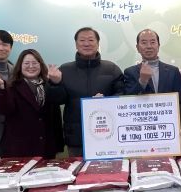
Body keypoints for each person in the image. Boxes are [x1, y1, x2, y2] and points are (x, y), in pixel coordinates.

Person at [48, 27, 124, 156]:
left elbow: (122, 94)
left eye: (91, 40)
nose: (87, 44)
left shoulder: (111, 69)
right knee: (77, 168)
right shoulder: (65, 69)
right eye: (82, 40)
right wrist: (55, 83)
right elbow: (57, 100)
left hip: (108, 135)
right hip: (77, 137)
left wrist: (106, 101)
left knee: (108, 169)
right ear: (76, 44)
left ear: (98, 44)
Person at [0, 49, 64, 157]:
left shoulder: (48, 85)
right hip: (20, 148)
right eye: (26, 63)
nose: (31, 66)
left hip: (46, 147)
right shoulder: (12, 86)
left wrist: (57, 83)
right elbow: (5, 109)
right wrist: (0, 87)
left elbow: (57, 114)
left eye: (34, 63)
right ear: (20, 66)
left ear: (40, 65)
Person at [123, 28, 181, 120]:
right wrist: (142, 81)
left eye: (152, 42)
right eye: (144, 43)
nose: (149, 46)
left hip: (168, 122)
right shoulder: (130, 72)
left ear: (158, 45)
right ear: (137, 48)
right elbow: (127, 102)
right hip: (142, 122)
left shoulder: (173, 71)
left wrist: (176, 123)